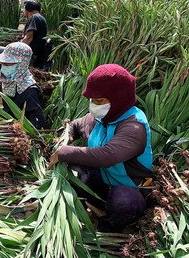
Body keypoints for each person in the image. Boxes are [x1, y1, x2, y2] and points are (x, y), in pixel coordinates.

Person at [48, 64, 153, 232]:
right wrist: (64, 137)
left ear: (119, 98)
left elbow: (107, 156)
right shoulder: (100, 117)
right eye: (92, 100)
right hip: (100, 182)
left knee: (124, 204)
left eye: (100, 101)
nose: (94, 105)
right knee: (72, 171)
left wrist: (63, 152)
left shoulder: (134, 125)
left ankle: (107, 229)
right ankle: (79, 213)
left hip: (127, 188)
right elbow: (75, 126)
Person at [0, 42, 45, 129]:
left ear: (21, 64)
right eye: (3, 63)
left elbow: (38, 120)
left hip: (13, 126)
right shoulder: (14, 81)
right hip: (7, 118)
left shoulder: (29, 90)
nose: (3, 66)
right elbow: (1, 88)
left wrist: (20, 132)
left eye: (7, 64)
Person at [20, 0, 49, 69]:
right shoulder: (41, 18)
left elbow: (28, 38)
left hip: (29, 56)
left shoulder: (34, 18)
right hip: (35, 55)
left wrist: (16, 48)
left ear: (27, 10)